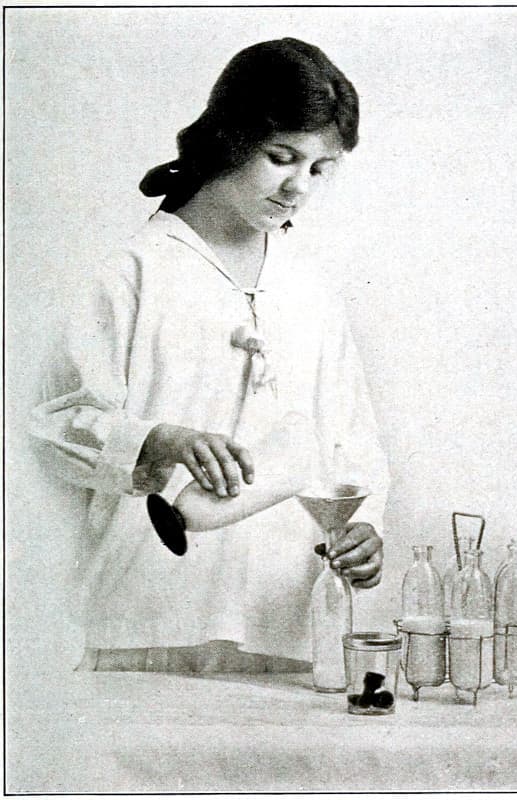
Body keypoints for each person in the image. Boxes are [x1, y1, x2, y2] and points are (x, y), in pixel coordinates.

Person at [30, 37, 389, 674]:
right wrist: (155, 441)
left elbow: (351, 446)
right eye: (282, 157)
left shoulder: (310, 292)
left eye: (319, 168)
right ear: (231, 137)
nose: (297, 186)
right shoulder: (131, 272)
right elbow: (48, 426)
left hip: (280, 630)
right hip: (144, 618)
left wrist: (366, 528)